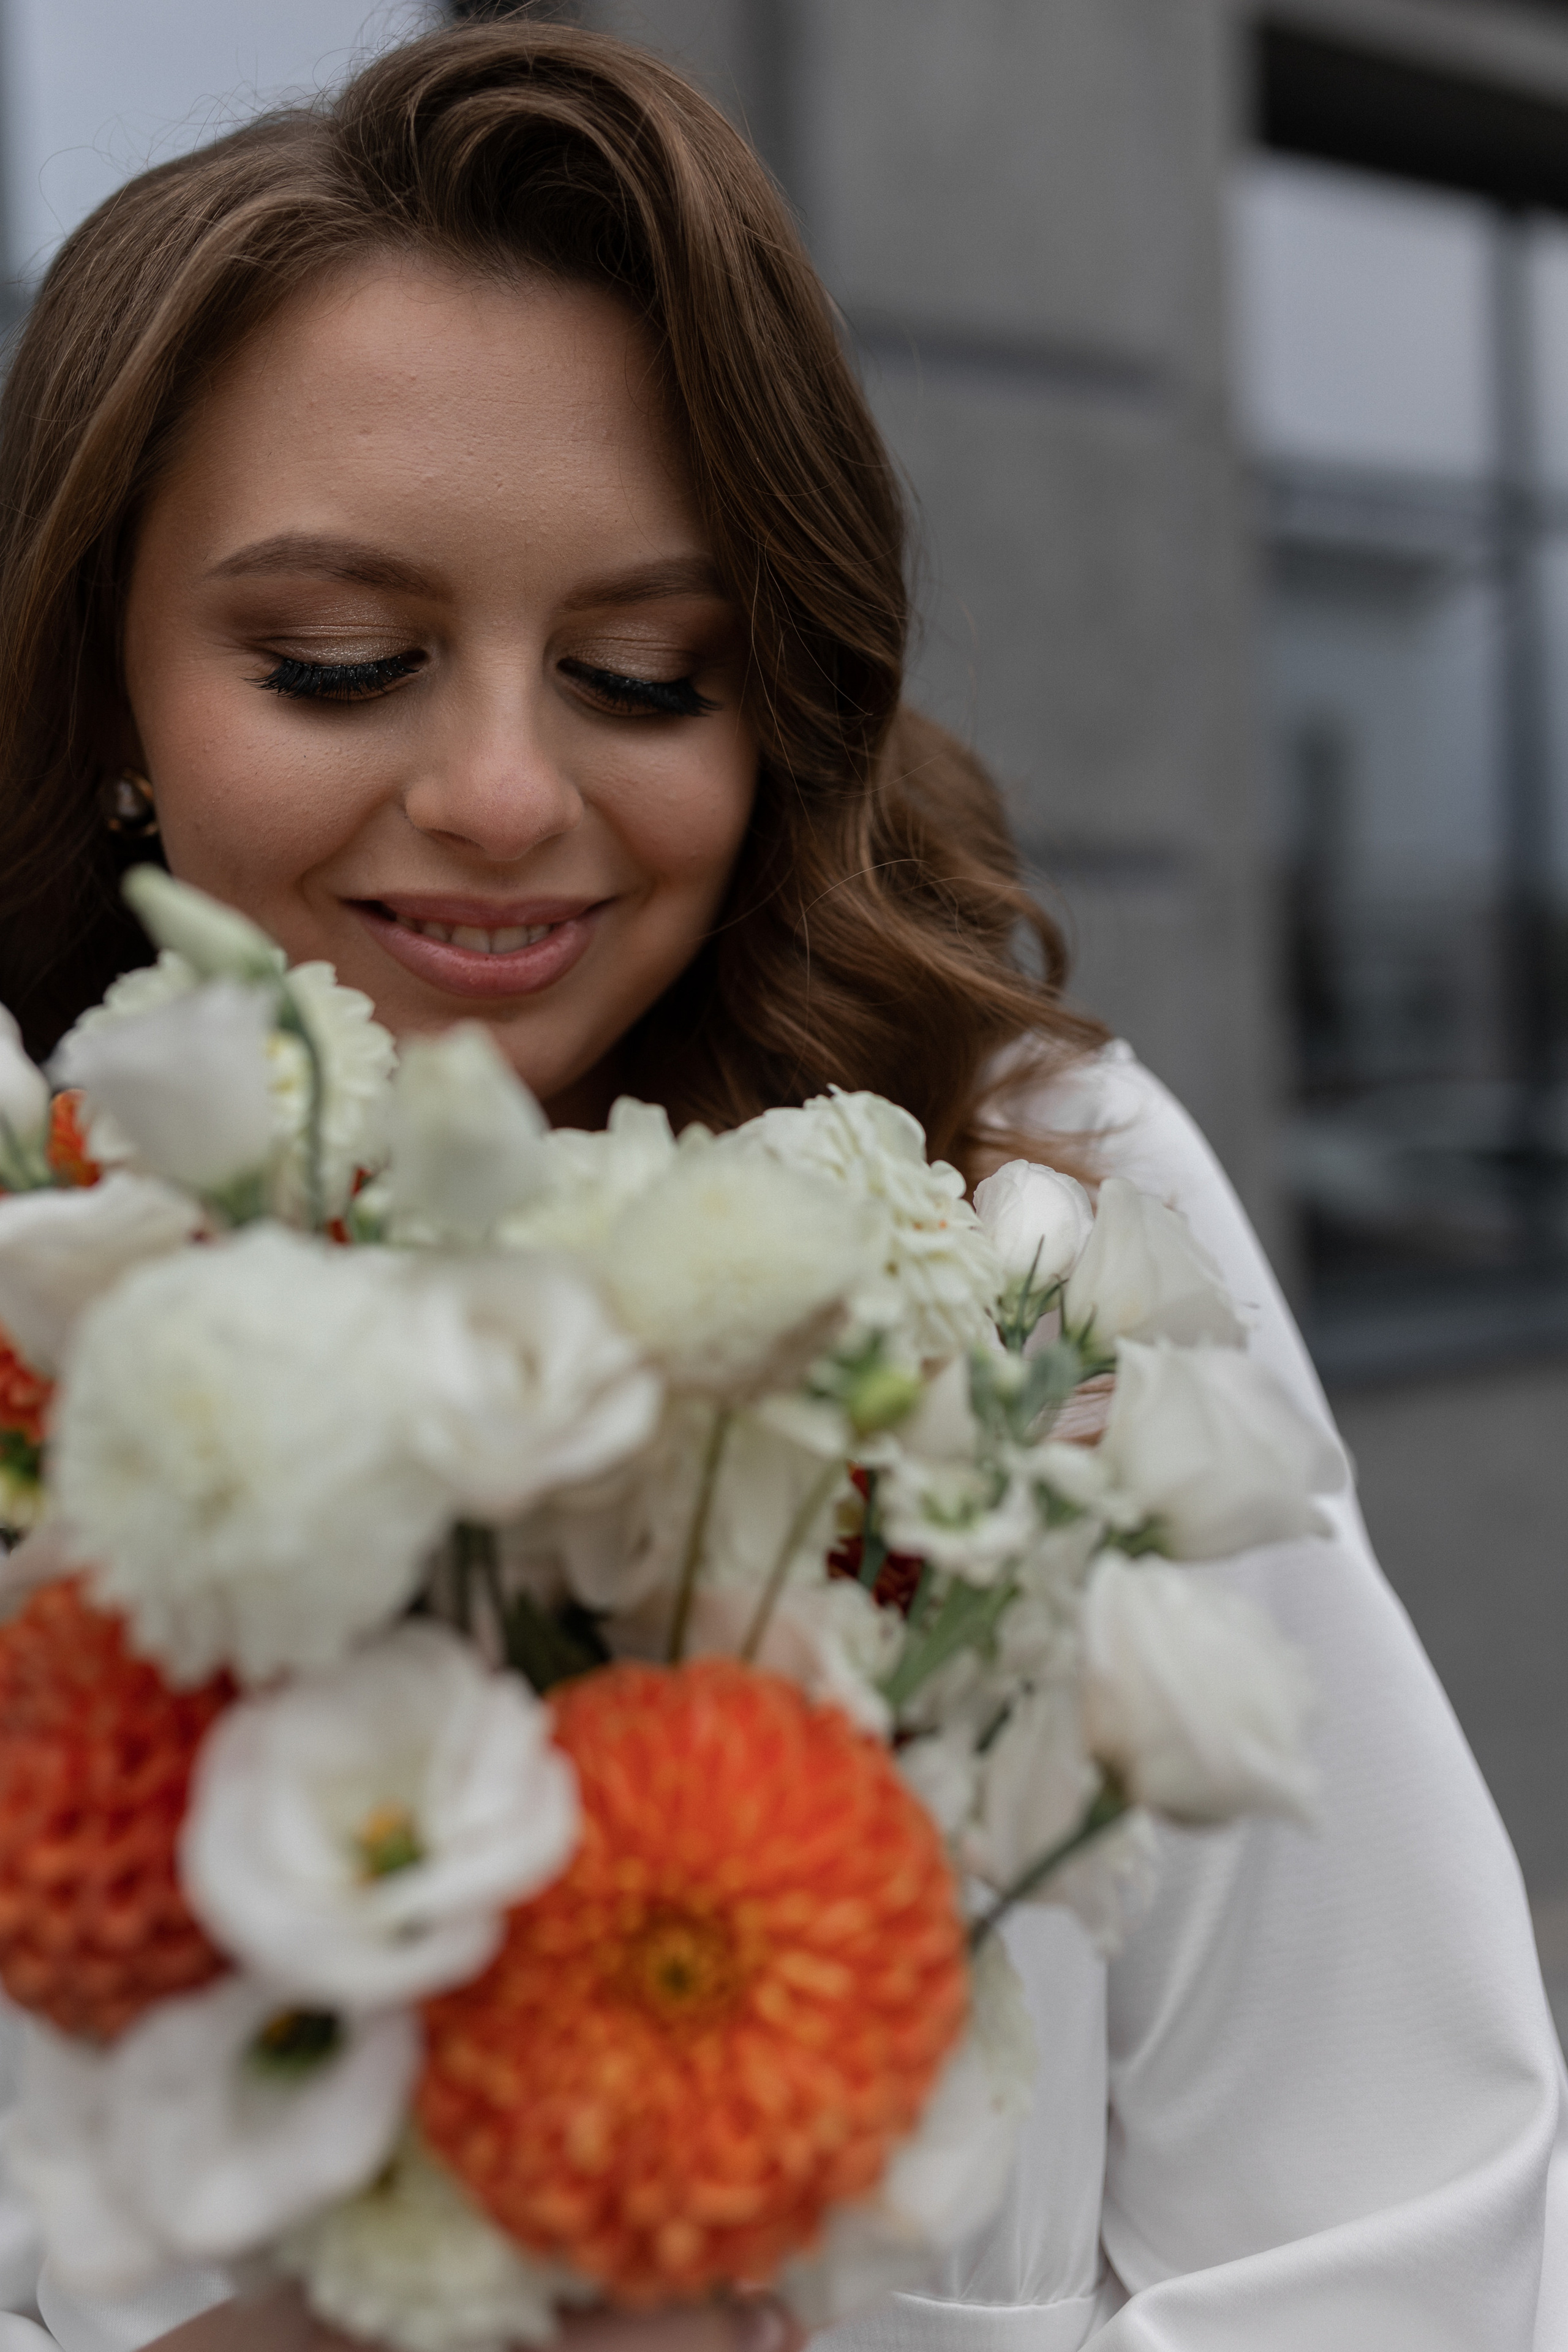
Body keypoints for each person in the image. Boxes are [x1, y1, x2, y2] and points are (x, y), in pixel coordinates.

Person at [0, 19, 1561, 2352]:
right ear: (110, 682)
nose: (508, 794)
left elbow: (1421, 2228)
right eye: (342, 662)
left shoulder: (1033, 1212)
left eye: (643, 673)